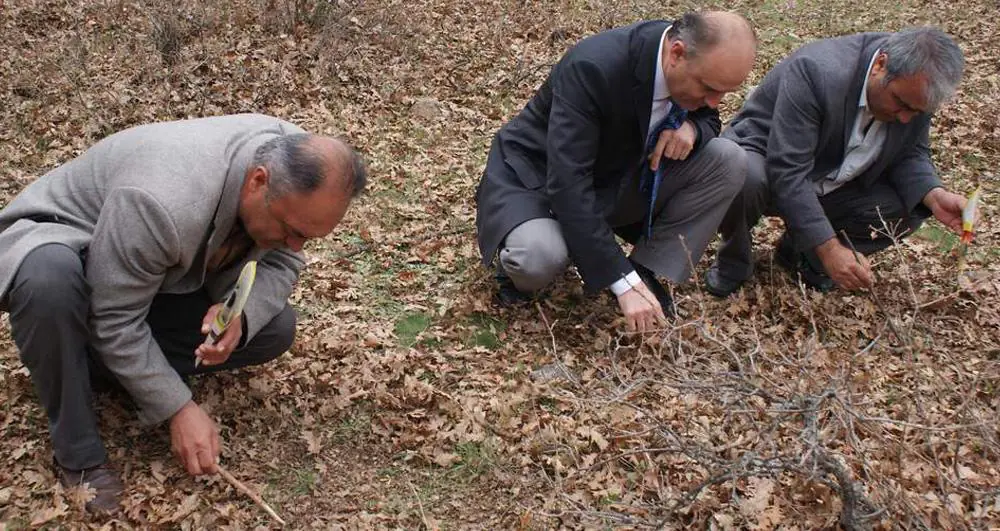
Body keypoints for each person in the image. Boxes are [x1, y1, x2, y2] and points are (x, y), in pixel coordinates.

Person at [0, 114, 366, 513]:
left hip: (143, 271)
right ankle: (78, 453)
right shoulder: (165, 200)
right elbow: (114, 318)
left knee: (272, 327)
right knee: (49, 281)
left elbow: (283, 262)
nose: (296, 247)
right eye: (292, 231)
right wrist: (178, 407)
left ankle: (89, 362)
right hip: (61, 240)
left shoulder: (296, 161)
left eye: (308, 238)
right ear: (258, 181)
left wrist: (239, 314)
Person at [475, 11, 757, 332]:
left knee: (728, 158)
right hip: (538, 182)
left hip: (617, 177)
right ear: (676, 53)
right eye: (708, 88)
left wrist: (692, 127)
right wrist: (621, 280)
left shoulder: (695, 66)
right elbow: (568, 183)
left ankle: (645, 268)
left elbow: (708, 116)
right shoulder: (593, 68)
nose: (715, 102)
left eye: (724, 93)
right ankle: (524, 256)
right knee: (537, 258)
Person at [705, 27, 967, 296]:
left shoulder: (915, 92)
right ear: (880, 65)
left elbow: (910, 152)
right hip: (768, 162)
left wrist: (935, 195)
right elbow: (788, 170)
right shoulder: (818, 72)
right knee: (745, 175)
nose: (904, 118)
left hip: (832, 176)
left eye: (915, 112)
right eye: (900, 103)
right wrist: (829, 248)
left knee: (910, 205)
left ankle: (800, 255)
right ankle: (733, 261)